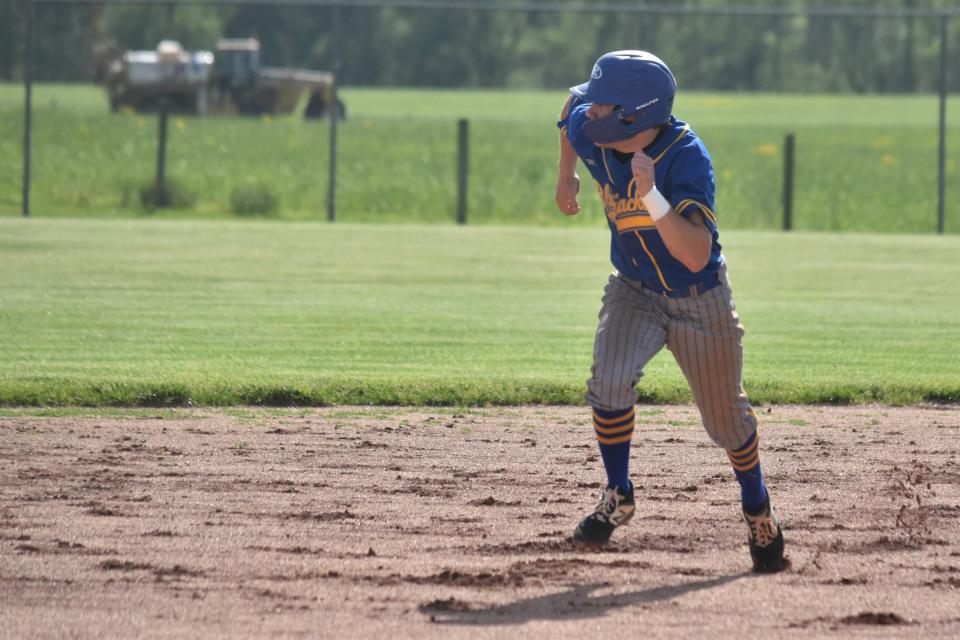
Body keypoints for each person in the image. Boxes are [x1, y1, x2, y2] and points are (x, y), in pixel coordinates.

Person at [555, 50, 786, 573]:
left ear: (633, 116)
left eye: (601, 106)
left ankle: (757, 505)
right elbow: (569, 108)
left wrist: (651, 196)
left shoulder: (686, 158)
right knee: (607, 382)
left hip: (698, 301)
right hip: (633, 288)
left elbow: (696, 254)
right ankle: (619, 493)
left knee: (727, 423)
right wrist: (565, 177)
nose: (589, 113)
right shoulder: (591, 127)